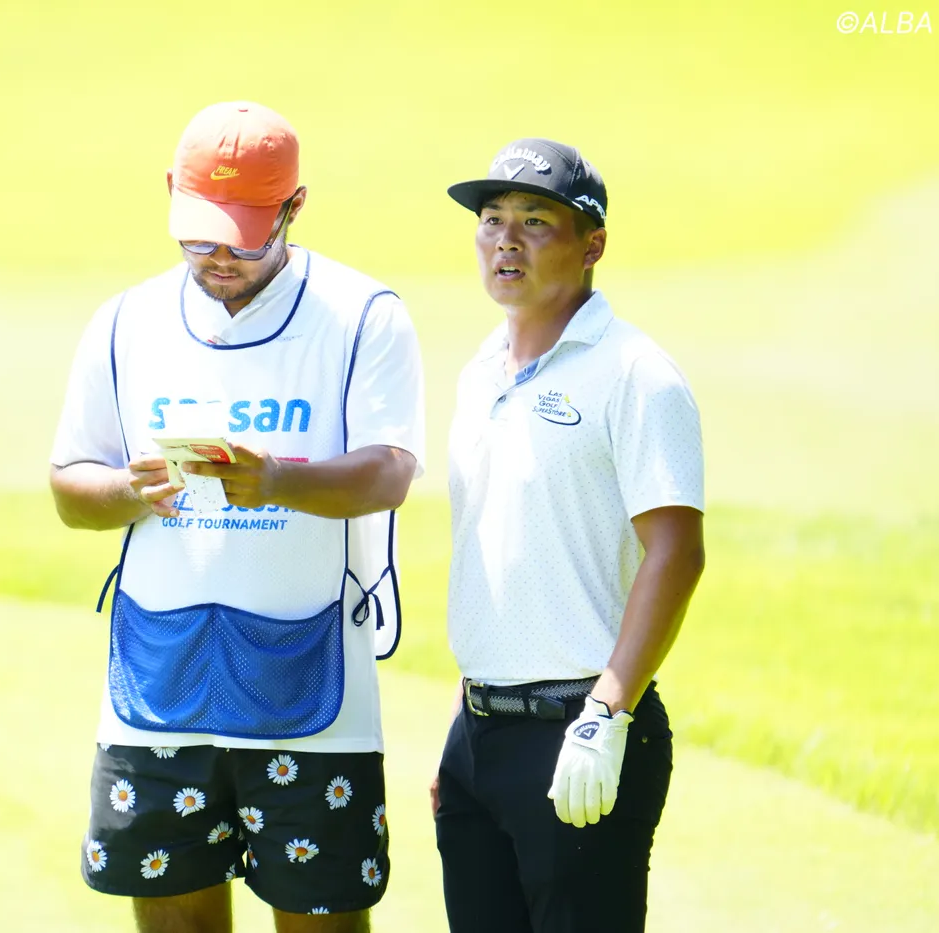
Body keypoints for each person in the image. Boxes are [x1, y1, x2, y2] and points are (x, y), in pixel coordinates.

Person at [48, 100, 425, 933]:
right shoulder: (124, 321)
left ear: (295, 207)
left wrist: (278, 481)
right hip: (157, 687)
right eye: (198, 235)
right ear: (169, 193)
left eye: (246, 237)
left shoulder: (362, 315)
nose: (219, 256)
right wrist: (126, 493)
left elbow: (391, 471)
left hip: (314, 699)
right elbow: (69, 484)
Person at [431, 138, 706, 933]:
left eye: (535, 221)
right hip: (480, 732)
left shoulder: (635, 373)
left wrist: (606, 715)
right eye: (491, 219)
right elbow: (502, 556)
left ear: (593, 245)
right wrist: (464, 729)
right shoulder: (479, 371)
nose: (505, 241)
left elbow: (676, 550)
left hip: (581, 727)